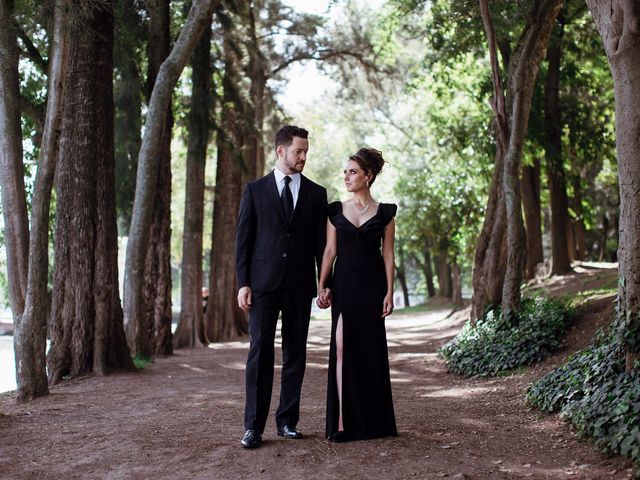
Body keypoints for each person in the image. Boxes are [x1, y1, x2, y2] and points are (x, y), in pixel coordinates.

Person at [236, 125, 328, 449]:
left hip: (300, 286)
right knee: (259, 354)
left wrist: (323, 284)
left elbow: (321, 244)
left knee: (295, 355)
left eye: (306, 151)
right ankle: (253, 428)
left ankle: (287, 421)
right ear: (281, 151)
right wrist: (243, 283)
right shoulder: (255, 190)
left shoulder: (317, 194)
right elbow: (243, 242)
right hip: (263, 285)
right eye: (298, 151)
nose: (303, 157)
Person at [316, 147, 398, 442]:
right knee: (340, 349)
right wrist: (320, 286)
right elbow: (329, 251)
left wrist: (389, 291)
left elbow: (388, 255)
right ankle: (340, 423)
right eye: (346, 171)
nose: (346, 176)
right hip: (344, 287)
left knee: (370, 352)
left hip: (373, 287)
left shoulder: (386, 213)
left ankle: (374, 423)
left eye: (353, 171)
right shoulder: (336, 210)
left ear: (368, 176)